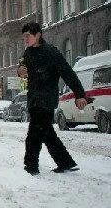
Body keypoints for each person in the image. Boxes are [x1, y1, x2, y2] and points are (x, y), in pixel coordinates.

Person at [18, 22, 88, 175]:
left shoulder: (51, 53)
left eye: (28, 36)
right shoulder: (27, 53)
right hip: (34, 99)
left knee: (34, 133)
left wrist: (80, 94)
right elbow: (22, 74)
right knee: (47, 133)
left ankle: (31, 167)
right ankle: (65, 162)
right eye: (24, 37)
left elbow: (68, 73)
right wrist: (20, 73)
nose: (26, 39)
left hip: (47, 99)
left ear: (38, 35)